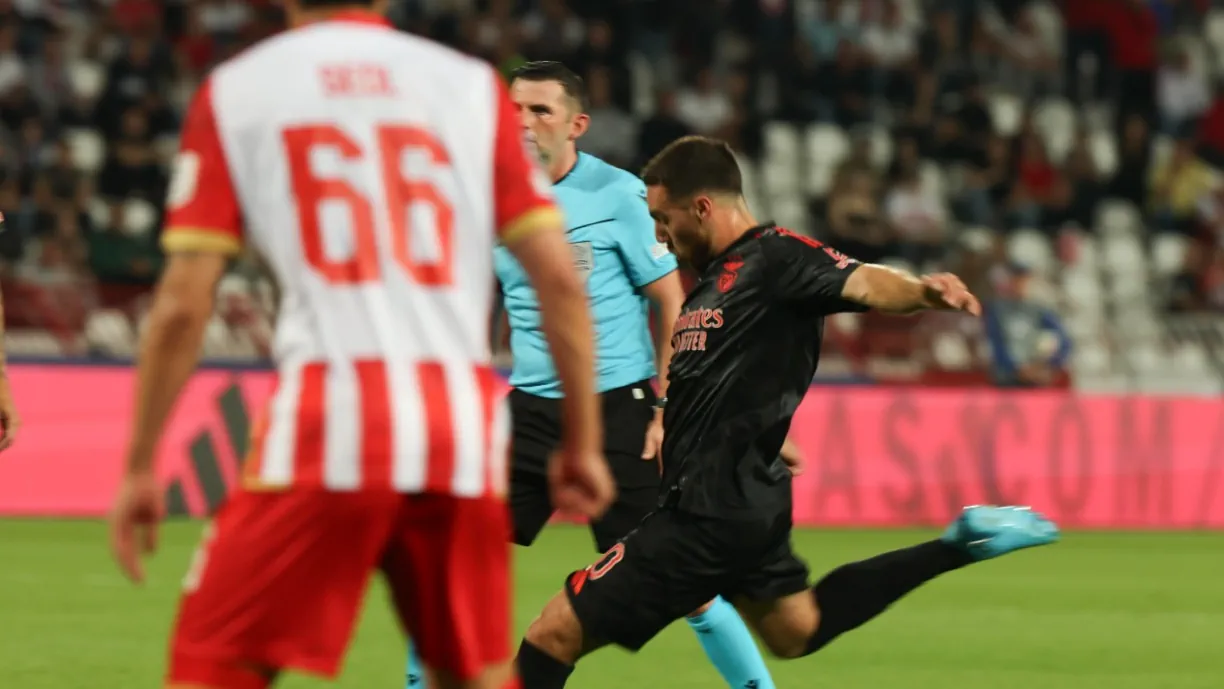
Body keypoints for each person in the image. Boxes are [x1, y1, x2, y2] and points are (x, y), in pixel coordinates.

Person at [106, 3, 615, 689]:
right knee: (478, 673)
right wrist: (581, 441)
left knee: (213, 663)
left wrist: (141, 464)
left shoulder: (240, 89)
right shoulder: (469, 87)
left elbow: (182, 303)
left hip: (331, 416)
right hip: (458, 429)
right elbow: (558, 279)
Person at [514, 136, 1061, 688]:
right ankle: (957, 545)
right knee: (797, 629)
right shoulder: (711, 282)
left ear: (703, 207)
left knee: (551, 634)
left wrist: (921, 292)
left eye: (663, 218)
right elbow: (730, 376)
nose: (658, 233)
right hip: (746, 498)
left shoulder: (776, 258)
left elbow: (864, 280)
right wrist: (754, 423)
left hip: (704, 515)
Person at [406, 61, 779, 689]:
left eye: (540, 111)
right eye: (515, 109)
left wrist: (666, 408)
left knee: (683, 582)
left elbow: (671, 301)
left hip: (619, 412)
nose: (523, 123)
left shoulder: (620, 196)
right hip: (528, 409)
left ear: (576, 124)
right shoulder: (489, 196)